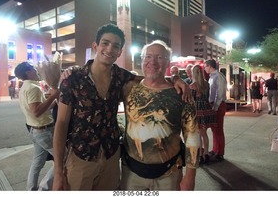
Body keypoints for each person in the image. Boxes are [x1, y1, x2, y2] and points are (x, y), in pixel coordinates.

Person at [52, 24, 189, 190]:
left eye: (115, 46)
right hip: (81, 158)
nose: (109, 49)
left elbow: (150, 78)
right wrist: (58, 172)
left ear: (119, 52)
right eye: (105, 43)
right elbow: (61, 124)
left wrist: (175, 78)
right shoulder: (73, 79)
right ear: (95, 46)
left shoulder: (120, 76)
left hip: (111, 156)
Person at [120, 40, 200, 191]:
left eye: (160, 57)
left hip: (169, 175)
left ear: (168, 62)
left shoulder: (181, 94)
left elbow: (192, 136)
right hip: (131, 174)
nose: (153, 62)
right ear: (142, 60)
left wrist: (190, 176)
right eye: (148, 57)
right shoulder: (128, 88)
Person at [14, 61, 60, 191]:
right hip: (44, 131)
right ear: (28, 72)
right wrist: (53, 96)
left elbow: (41, 109)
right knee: (63, 158)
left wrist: (52, 102)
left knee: (37, 162)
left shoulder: (25, 87)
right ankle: (43, 189)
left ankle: (31, 189)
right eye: (34, 69)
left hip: (35, 130)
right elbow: (36, 112)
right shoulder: (34, 88)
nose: (37, 71)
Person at [189, 64, 217, 165]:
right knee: (204, 134)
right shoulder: (206, 84)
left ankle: (200, 155)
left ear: (193, 73)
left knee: (198, 135)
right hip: (207, 109)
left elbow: (192, 101)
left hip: (198, 110)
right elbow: (208, 97)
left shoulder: (193, 85)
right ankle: (206, 154)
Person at [204, 59, 227, 162]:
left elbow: (220, 93)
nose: (205, 69)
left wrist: (215, 107)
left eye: (205, 66)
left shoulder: (218, 77)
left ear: (210, 66)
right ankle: (215, 149)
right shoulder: (212, 77)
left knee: (218, 129)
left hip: (218, 105)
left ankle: (220, 152)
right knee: (214, 128)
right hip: (213, 104)